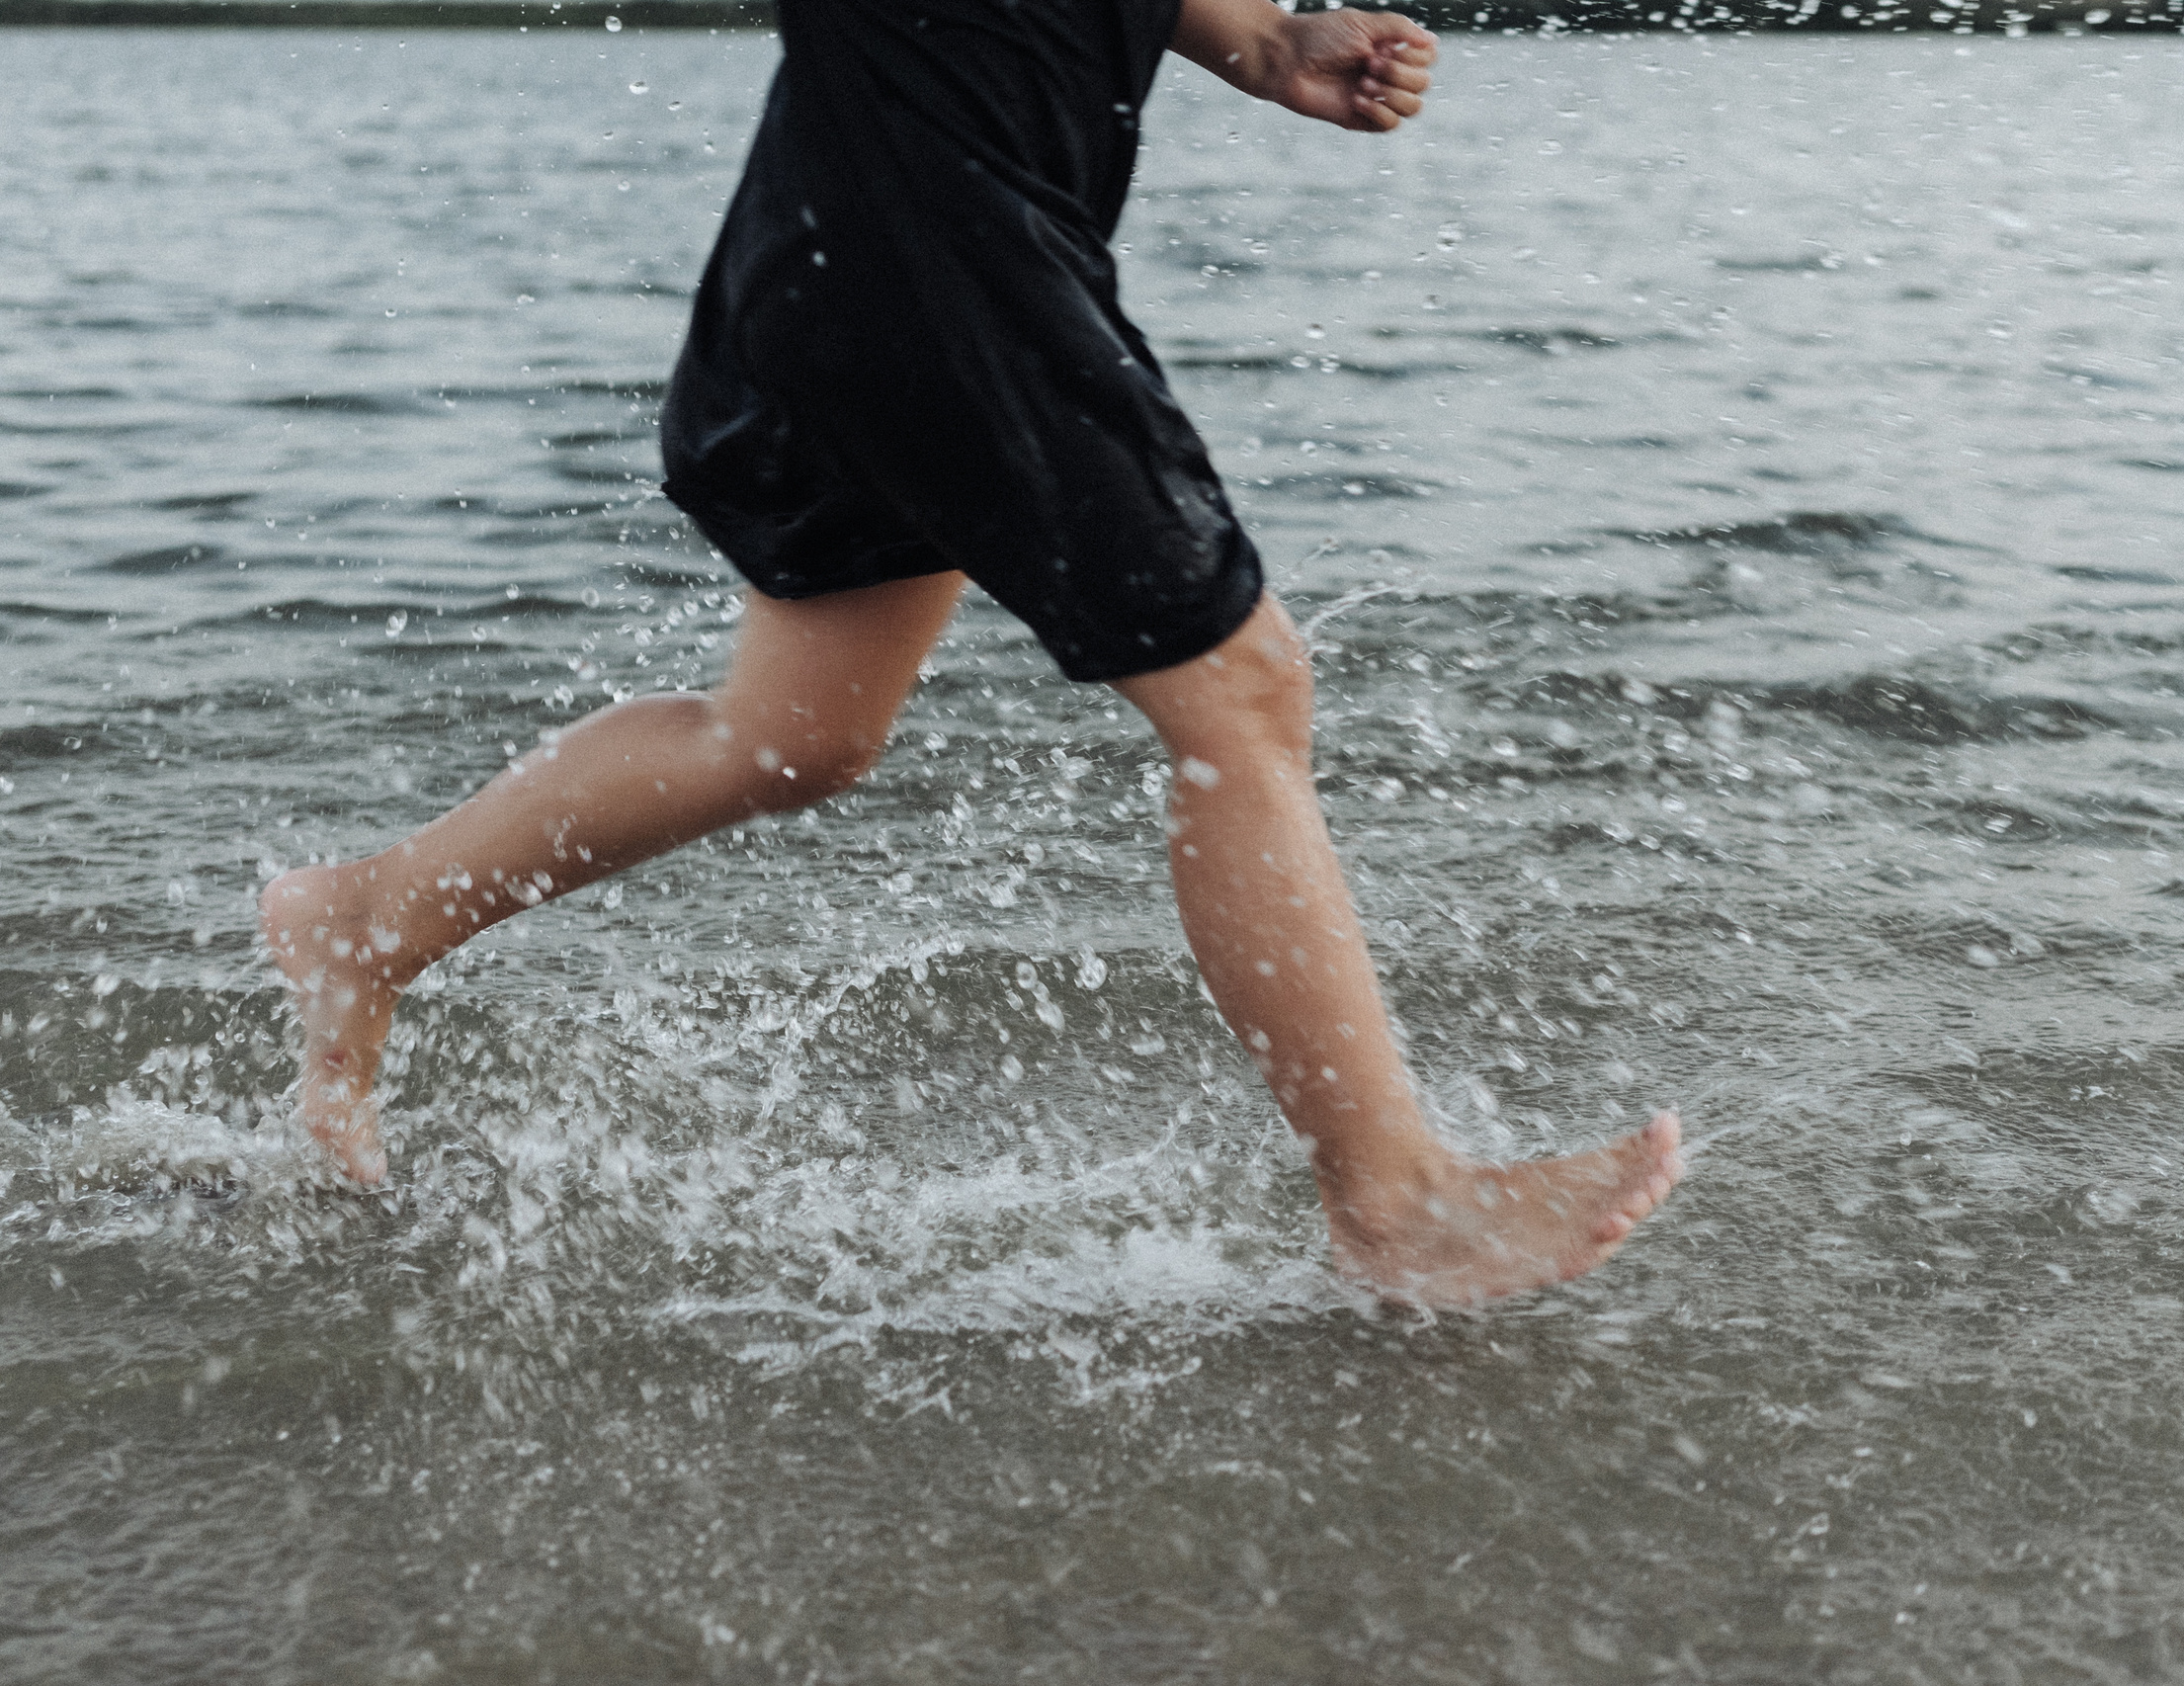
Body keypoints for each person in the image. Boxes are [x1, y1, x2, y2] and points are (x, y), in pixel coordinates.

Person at [259, 0, 1681, 1307]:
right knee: (1240, 693)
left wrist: (1258, 40)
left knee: (797, 732)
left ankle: (368, 917)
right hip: (933, 250)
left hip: (858, 244)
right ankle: (1395, 1198)